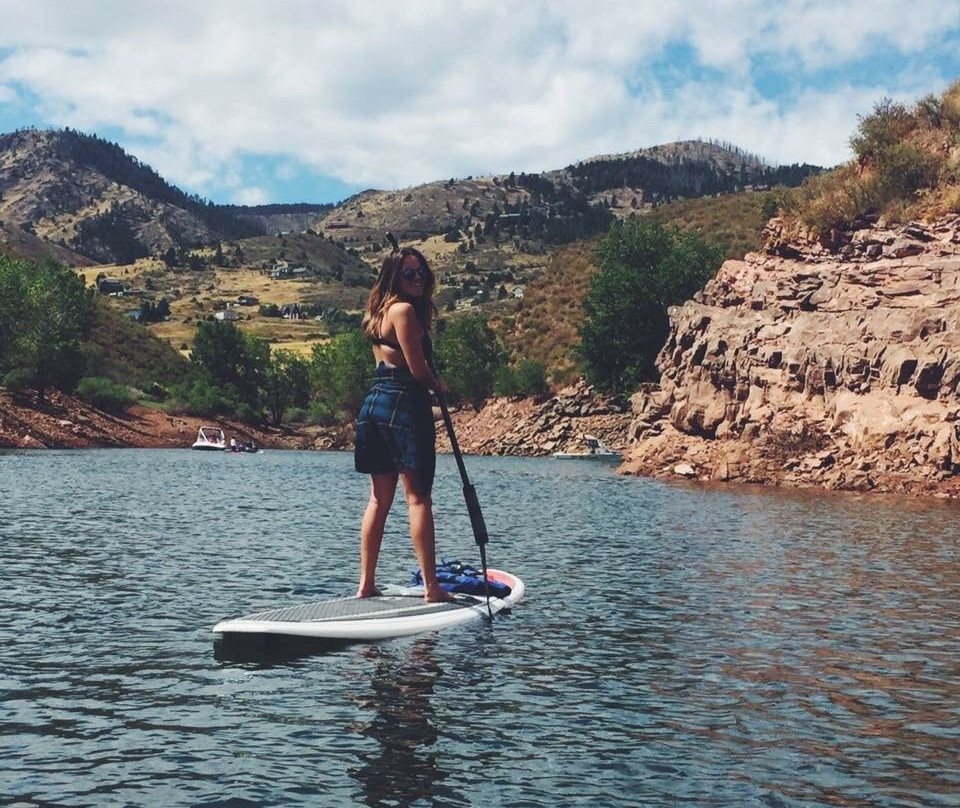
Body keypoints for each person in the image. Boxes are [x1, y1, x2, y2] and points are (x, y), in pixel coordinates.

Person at [354, 246, 453, 602]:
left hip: (373, 404)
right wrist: (440, 386)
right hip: (405, 405)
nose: (417, 279)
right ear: (394, 276)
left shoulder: (375, 312)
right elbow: (418, 369)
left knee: (378, 500)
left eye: (421, 273)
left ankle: (366, 584)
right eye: (409, 274)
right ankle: (432, 588)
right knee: (419, 498)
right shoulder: (405, 311)